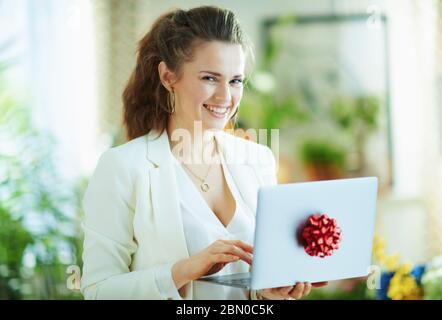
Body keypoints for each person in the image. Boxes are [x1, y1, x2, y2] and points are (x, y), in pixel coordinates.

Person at [81, 5, 324, 300]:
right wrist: (185, 270)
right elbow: (97, 290)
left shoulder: (258, 160)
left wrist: (266, 294)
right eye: (210, 78)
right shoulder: (123, 166)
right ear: (168, 77)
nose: (225, 97)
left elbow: (253, 285)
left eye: (235, 81)